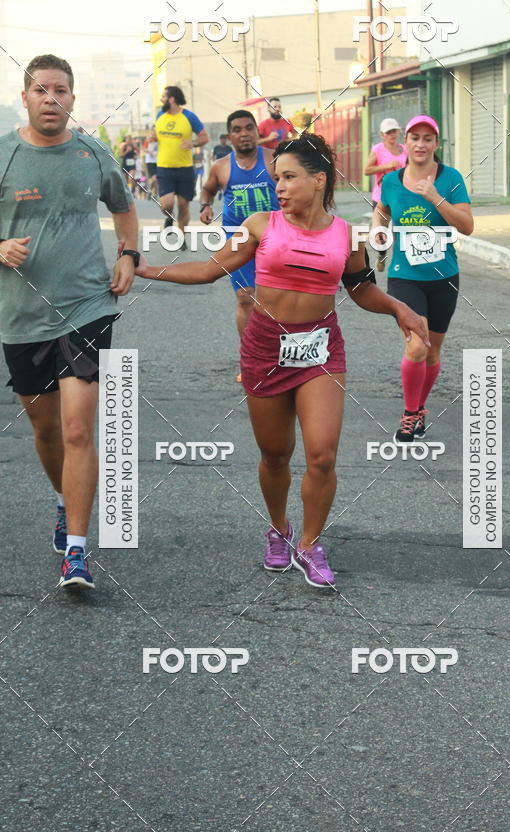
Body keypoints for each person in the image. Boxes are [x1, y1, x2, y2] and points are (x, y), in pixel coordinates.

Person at [135, 133, 428, 588]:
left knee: (322, 456)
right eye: (277, 179)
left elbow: (361, 289)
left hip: (320, 350)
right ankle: (278, 529)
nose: (280, 187)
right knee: (275, 455)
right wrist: (146, 269)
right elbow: (210, 269)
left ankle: (310, 544)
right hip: (265, 348)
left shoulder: (346, 235)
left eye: (289, 177)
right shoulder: (259, 225)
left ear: (319, 179)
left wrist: (399, 309)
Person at [0, 53, 138, 589]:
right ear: (25, 97)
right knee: (47, 428)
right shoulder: (5, 154)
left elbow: (123, 207)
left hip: (87, 306)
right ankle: (64, 499)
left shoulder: (92, 152)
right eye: (41, 90)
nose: (51, 99)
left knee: (79, 426)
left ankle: (77, 553)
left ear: (72, 98)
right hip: (22, 314)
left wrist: (128, 254)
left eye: (60, 90)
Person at [373, 114, 473, 443]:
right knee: (417, 345)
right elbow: (382, 210)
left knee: (432, 352)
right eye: (414, 137)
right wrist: (378, 230)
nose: (420, 144)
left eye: (427, 138)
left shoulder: (451, 178)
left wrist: (434, 197)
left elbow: (467, 226)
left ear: (436, 144)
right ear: (406, 142)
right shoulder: (391, 180)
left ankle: (418, 408)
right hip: (404, 276)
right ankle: (409, 413)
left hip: (444, 276)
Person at [200, 110, 279, 382]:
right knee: (245, 297)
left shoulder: (275, 160)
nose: (244, 133)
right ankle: (251, 360)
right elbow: (208, 189)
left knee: (275, 300)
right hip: (238, 239)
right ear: (229, 136)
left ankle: (280, 358)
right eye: (237, 129)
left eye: (249, 127)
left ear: (257, 131)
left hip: (275, 237)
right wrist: (206, 205)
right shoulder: (221, 167)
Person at [155, 85, 208, 239]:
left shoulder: (189, 117)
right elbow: (157, 135)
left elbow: (205, 137)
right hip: (164, 167)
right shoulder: (160, 115)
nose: (161, 99)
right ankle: (169, 216)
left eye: (164, 97)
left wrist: (193, 143)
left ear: (172, 99)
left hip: (185, 168)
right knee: (167, 205)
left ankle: (181, 237)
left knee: (183, 205)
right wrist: (153, 138)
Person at [364, 118, 407, 272]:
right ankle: (382, 255)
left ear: (399, 132)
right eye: (388, 132)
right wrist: (387, 166)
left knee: (400, 231)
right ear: (382, 135)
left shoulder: (405, 150)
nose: (392, 134)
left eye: (394, 131)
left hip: (401, 197)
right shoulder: (378, 150)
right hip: (382, 198)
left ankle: (401, 263)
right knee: (381, 233)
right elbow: (367, 170)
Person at [144, 128, 158, 198]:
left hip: (158, 161)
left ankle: (154, 193)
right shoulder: (147, 141)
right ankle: (150, 191)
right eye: (152, 134)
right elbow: (144, 149)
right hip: (150, 162)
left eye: (154, 134)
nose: (153, 136)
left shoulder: (158, 142)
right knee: (154, 178)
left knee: (156, 179)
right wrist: (149, 152)